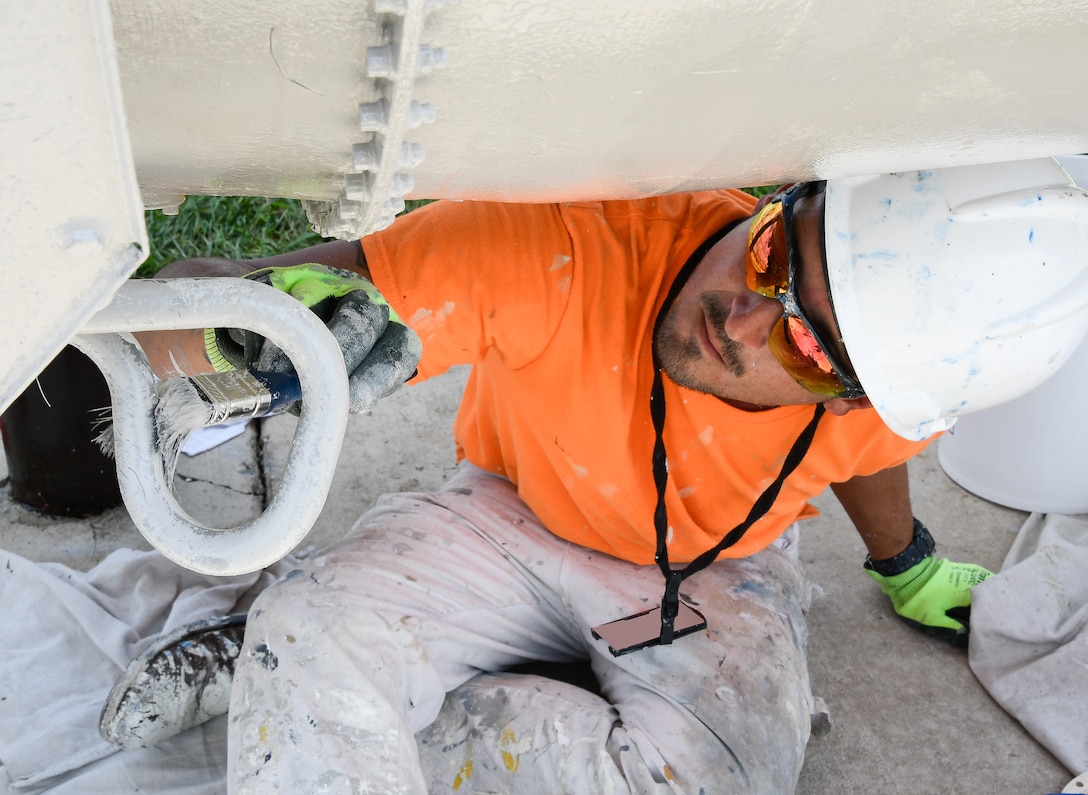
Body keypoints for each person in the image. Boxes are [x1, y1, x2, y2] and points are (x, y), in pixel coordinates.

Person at [106, 158, 1088, 793]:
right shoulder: (577, 245)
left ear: (855, 398)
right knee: (318, 630)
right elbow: (241, 304)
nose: (736, 316)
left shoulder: (883, 401)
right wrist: (250, 326)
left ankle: (345, 694)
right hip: (506, 517)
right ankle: (309, 656)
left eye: (797, 341)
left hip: (716, 573)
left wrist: (905, 562)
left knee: (719, 777)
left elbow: (865, 465)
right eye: (771, 255)